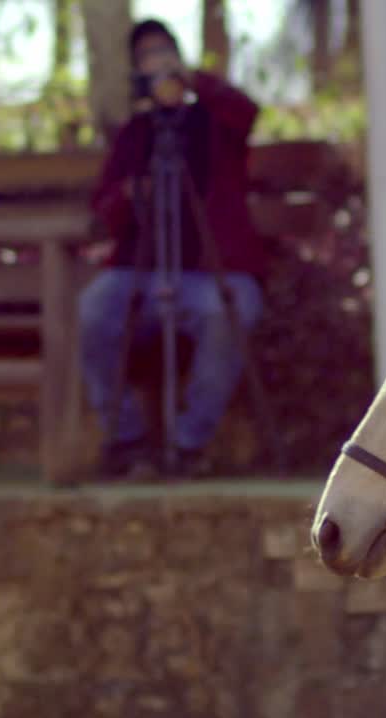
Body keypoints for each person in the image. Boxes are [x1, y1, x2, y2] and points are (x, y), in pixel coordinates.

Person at [79, 19, 265, 477]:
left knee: (231, 309)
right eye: (146, 56)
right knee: (94, 309)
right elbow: (102, 208)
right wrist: (129, 196)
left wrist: (192, 80)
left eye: (164, 51)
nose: (156, 61)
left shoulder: (216, 123)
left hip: (208, 271)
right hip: (139, 272)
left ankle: (187, 445)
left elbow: (246, 111)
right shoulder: (135, 133)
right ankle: (126, 440)